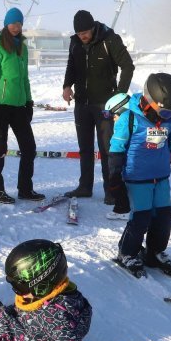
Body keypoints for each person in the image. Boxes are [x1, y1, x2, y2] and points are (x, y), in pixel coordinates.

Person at [109, 73, 171, 277]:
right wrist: (115, 184)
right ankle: (127, 253)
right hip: (138, 179)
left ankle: (154, 251)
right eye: (166, 111)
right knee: (141, 218)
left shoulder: (170, 121)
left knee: (164, 216)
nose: (168, 116)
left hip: (161, 177)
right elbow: (116, 152)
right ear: (150, 100)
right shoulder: (129, 118)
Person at [62, 10, 135, 206]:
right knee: (85, 148)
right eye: (79, 33)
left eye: (85, 32)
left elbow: (128, 66)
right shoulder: (75, 42)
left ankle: (111, 190)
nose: (82, 37)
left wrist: (120, 95)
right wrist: (67, 85)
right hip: (82, 104)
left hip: (105, 105)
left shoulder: (109, 39)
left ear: (93, 27)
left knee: (107, 149)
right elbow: (71, 65)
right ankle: (85, 186)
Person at [0, 7, 44, 204]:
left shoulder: (22, 47)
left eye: (19, 24)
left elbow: (24, 78)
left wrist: (28, 101)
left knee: (29, 147)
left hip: (18, 106)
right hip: (0, 106)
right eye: (13, 23)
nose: (16, 27)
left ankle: (25, 188)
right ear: (6, 23)